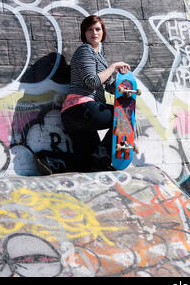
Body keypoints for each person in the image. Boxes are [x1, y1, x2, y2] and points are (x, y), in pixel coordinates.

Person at [34, 15, 130, 175]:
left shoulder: (100, 57)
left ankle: (48, 160)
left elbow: (109, 87)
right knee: (123, 117)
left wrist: (121, 79)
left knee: (87, 162)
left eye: (98, 29)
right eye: (89, 30)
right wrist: (113, 67)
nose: (94, 33)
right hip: (80, 108)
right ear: (84, 33)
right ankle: (101, 159)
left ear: (103, 32)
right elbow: (91, 82)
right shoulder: (85, 51)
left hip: (75, 115)